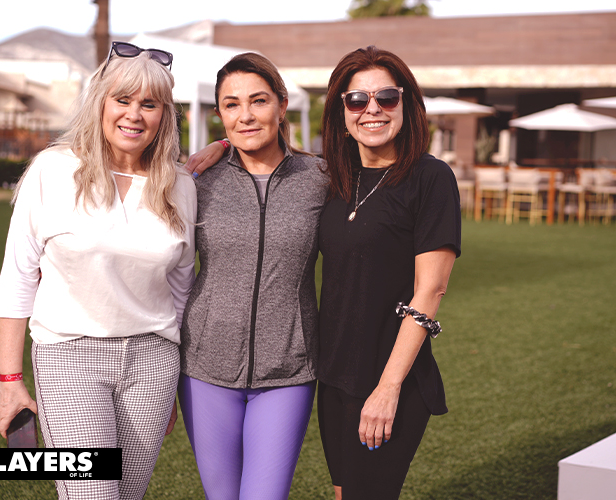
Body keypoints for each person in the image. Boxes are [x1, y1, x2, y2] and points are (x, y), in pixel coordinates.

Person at [0, 41, 196, 500]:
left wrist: (173, 382)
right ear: (100, 102)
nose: (134, 114)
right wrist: (10, 381)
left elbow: (182, 287)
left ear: (164, 115)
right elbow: (18, 276)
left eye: (150, 104)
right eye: (122, 99)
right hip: (69, 358)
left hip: (153, 364)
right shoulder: (53, 170)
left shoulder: (180, 185)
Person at [177, 52, 327, 500]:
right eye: (232, 104)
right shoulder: (197, 181)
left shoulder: (320, 178)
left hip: (289, 369)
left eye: (258, 101)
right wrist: (220, 149)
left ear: (282, 106)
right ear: (220, 114)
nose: (245, 115)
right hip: (204, 368)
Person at [316, 46, 461, 499]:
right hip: (333, 374)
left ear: (406, 104)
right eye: (357, 99)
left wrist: (388, 388)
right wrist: (220, 147)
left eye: (387, 97)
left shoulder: (430, 178)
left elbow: (431, 289)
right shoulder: (333, 177)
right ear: (341, 112)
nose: (372, 109)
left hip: (388, 376)